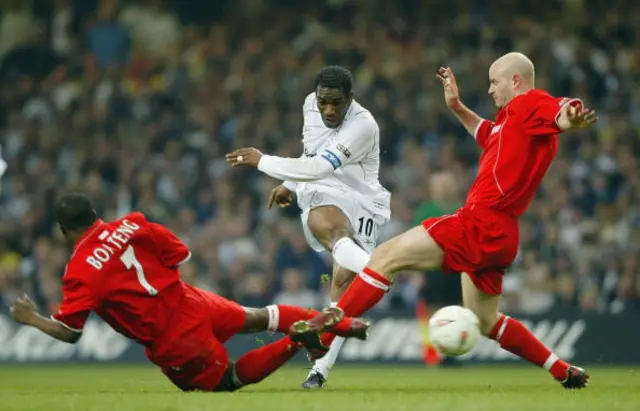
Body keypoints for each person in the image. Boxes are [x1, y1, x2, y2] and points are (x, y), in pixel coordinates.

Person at [296, 52, 597, 389]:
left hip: (480, 221)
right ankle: (561, 369)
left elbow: (559, 111)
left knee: (384, 258)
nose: (489, 90)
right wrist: (456, 106)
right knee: (485, 321)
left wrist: (571, 113)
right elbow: (488, 133)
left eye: (494, 82)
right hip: (503, 235)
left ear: (515, 81)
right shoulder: (512, 123)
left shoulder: (529, 104)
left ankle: (326, 331)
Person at [10, 192, 370, 392]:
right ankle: (341, 323)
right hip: (191, 300)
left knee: (229, 379)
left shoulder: (79, 271)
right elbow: (179, 254)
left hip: (173, 338)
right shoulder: (131, 223)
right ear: (94, 213)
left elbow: (71, 333)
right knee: (262, 317)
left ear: (62, 229)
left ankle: (299, 338)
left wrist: (32, 319)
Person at [226, 65, 390, 389]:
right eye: (323, 102)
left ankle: (321, 368)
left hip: (365, 200)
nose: (328, 110)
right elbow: (311, 154)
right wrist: (289, 182)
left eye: (336, 103)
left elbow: (316, 166)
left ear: (350, 99)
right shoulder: (309, 106)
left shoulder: (363, 125)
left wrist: (262, 161)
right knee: (326, 225)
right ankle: (381, 270)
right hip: (324, 189)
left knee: (343, 291)